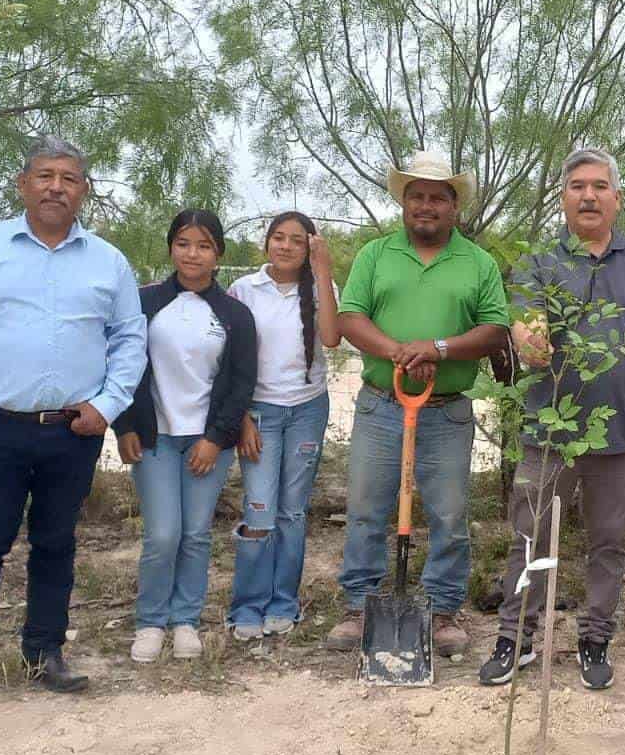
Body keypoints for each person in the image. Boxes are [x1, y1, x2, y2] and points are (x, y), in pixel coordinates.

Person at [0, 135, 147, 717]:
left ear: (84, 191)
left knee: (56, 544)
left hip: (72, 431)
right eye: (45, 175)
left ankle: (44, 653)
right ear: (23, 184)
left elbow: (129, 339)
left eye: (68, 179)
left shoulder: (108, 261)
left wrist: (107, 404)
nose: (55, 187)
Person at [476, 147, 625, 690]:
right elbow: (525, 329)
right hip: (549, 432)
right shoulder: (539, 265)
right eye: (577, 187)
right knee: (530, 536)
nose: (588, 195)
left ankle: (595, 639)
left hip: (619, 437)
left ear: (616, 197)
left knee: (608, 542)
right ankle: (516, 639)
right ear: (563, 198)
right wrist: (530, 340)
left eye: (599, 186)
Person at [327, 150, 511, 657]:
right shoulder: (374, 255)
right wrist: (401, 354)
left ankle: (443, 610)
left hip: (446, 412)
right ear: (403, 203)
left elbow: (495, 330)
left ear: (455, 207)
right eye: (417, 197)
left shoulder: (477, 262)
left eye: (437, 197)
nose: (425, 206)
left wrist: (440, 349)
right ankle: (359, 606)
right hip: (382, 406)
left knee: (449, 515)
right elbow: (349, 318)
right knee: (366, 509)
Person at [113, 210, 258, 662]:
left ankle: (185, 621)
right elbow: (120, 365)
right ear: (171, 247)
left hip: (206, 442)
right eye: (182, 243)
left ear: (218, 254)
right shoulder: (143, 302)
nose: (191, 253)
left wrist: (216, 438)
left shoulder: (235, 314)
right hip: (154, 439)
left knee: (195, 533)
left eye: (202, 245)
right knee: (162, 534)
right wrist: (124, 426)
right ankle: (151, 621)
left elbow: (241, 383)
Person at [225, 211, 340, 640]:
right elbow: (231, 363)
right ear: (266, 242)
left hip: (307, 409)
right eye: (279, 237)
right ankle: (247, 605)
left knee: (293, 511)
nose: (286, 246)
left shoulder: (319, 288)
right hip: (259, 414)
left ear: (309, 246)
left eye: (297, 240)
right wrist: (240, 417)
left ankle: (283, 603)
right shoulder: (244, 290)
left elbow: (331, 338)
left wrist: (323, 271)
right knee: (260, 509)